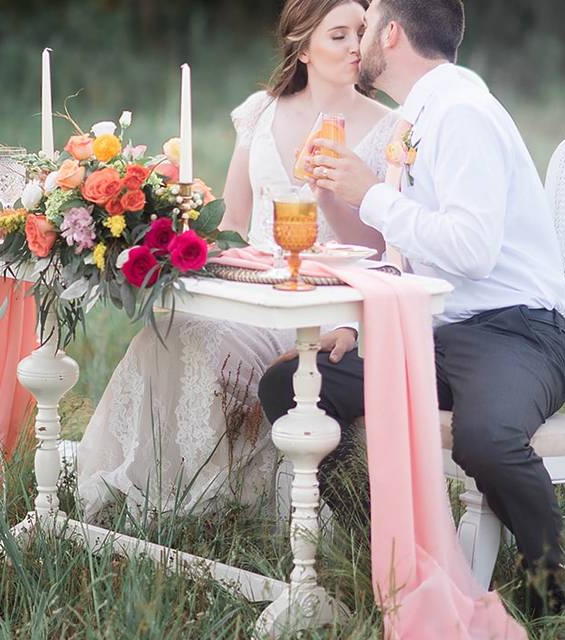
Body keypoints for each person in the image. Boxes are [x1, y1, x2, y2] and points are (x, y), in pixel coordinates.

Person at [258, 0, 565, 615]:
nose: (360, 37)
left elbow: (472, 251)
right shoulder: (417, 115)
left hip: (515, 331)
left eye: (370, 19)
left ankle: (558, 593)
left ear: (394, 33)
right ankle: (394, 546)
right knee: (292, 387)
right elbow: (397, 247)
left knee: (486, 440)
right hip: (427, 330)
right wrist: (351, 308)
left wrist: (373, 193)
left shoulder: (463, 114)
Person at [76, 0, 399, 524]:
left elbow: (385, 250)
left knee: (204, 341)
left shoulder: (389, 127)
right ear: (303, 45)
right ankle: (153, 489)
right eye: (339, 35)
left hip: (331, 302)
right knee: (174, 330)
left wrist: (349, 316)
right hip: (256, 289)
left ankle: (216, 502)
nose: (356, 46)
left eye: (362, 32)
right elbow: (232, 225)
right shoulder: (261, 113)